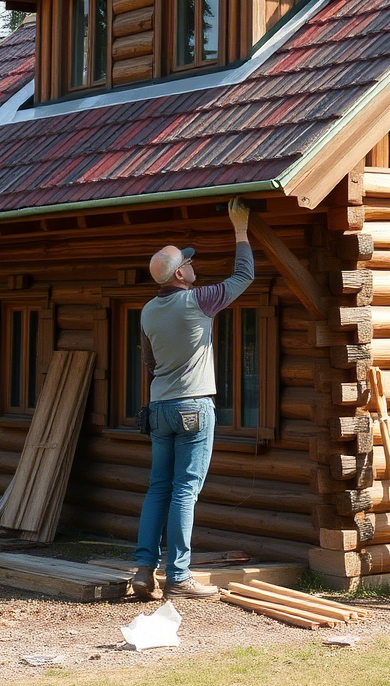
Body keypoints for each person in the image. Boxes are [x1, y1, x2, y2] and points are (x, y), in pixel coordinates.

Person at [131, 197, 254, 599]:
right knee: (185, 490)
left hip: (160, 408)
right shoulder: (198, 300)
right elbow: (244, 276)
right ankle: (179, 577)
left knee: (158, 488)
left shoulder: (148, 311)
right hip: (193, 406)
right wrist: (240, 229)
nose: (192, 264)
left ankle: (144, 571)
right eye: (188, 261)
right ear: (181, 273)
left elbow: (149, 362)